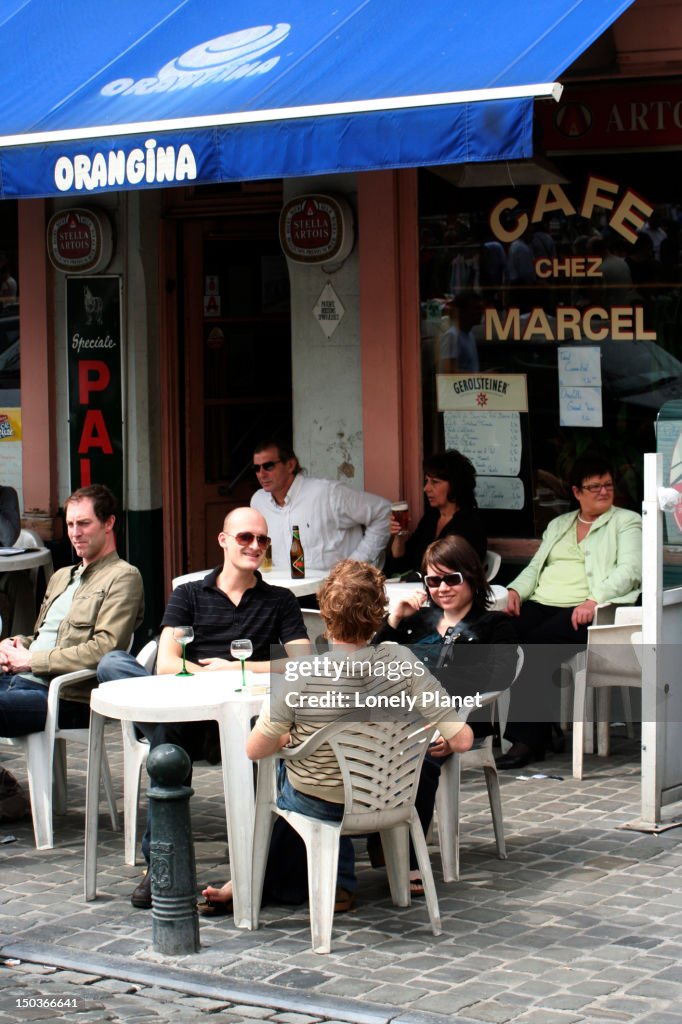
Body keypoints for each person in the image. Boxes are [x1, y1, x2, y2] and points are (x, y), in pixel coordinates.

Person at [199, 559, 474, 916]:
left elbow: (255, 749)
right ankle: (337, 880)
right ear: (379, 614)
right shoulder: (403, 660)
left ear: (325, 618)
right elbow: (464, 740)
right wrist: (428, 733)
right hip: (388, 798)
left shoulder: (303, 673)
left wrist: (287, 741)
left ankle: (261, 881)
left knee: (282, 771)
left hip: (321, 804)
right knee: (316, 764)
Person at [97, 506, 310, 909]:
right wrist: (203, 676)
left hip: (246, 723)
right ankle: (163, 857)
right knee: (113, 664)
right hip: (189, 714)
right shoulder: (190, 593)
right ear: (223, 540)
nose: (254, 546)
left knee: (163, 744)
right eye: (245, 537)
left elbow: (301, 661)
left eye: (262, 540)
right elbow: (166, 662)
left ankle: (161, 863)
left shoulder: (279, 600)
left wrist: (238, 666)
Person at [374, 535, 518, 891]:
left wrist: (449, 725)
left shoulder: (495, 626)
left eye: (451, 578)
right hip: (401, 714)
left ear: (472, 577)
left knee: (418, 755)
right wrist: (393, 619)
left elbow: (497, 680)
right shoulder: (416, 621)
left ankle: (403, 857)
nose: (442, 588)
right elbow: (370, 662)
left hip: (459, 718)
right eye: (433, 580)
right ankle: (367, 843)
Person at [497, 454, 642, 770]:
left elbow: (631, 570)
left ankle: (527, 741)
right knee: (497, 633)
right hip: (543, 602)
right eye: (594, 487)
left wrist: (594, 599)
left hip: (587, 611)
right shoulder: (559, 524)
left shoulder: (626, 521)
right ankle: (530, 729)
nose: (604, 491)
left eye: (607, 485)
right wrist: (514, 591)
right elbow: (535, 567)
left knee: (535, 648)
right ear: (576, 492)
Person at [0, 485, 144, 736]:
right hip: (17, 682)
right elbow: (45, 637)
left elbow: (105, 649)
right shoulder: (61, 576)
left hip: (63, 696)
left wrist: (31, 661)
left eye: (84, 524)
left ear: (109, 523)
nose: (75, 533)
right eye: (70, 525)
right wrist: (14, 643)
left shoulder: (123, 576)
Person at [250, 439, 391, 571]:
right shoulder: (258, 501)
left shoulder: (328, 493)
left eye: (268, 466)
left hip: (336, 592)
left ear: (290, 465)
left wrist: (355, 566)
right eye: (256, 468)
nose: (261, 474)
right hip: (286, 592)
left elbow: (383, 512)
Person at [386, 450, 486, 577]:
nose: (426, 488)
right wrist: (399, 536)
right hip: (416, 587)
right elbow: (400, 563)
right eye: (426, 481)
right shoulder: (432, 517)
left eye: (435, 482)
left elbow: (454, 573)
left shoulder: (469, 524)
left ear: (455, 485)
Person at [439, 292, 481, 372]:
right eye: (475, 309)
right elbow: (449, 373)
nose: (480, 312)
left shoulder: (470, 335)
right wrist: (482, 376)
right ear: (462, 312)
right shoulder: (452, 336)